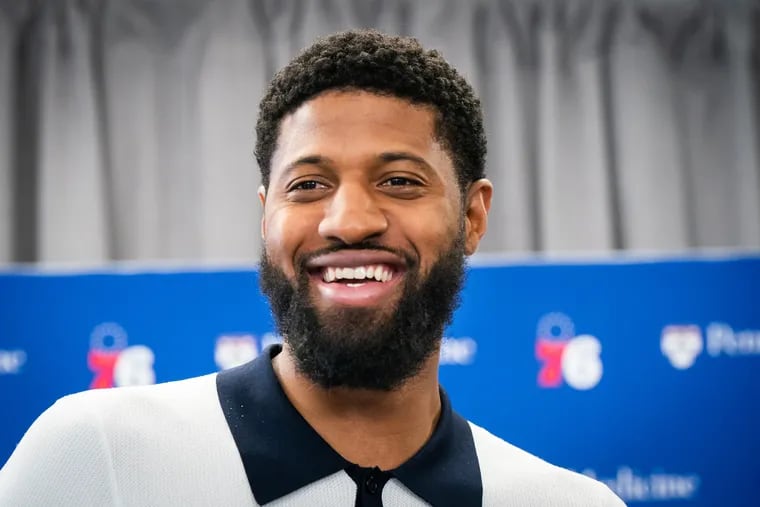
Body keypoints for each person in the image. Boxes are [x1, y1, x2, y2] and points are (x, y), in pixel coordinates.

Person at [0, 29, 625, 506]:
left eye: (400, 180)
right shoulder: (91, 457)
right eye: (308, 185)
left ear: (473, 216)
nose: (349, 221)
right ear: (266, 215)